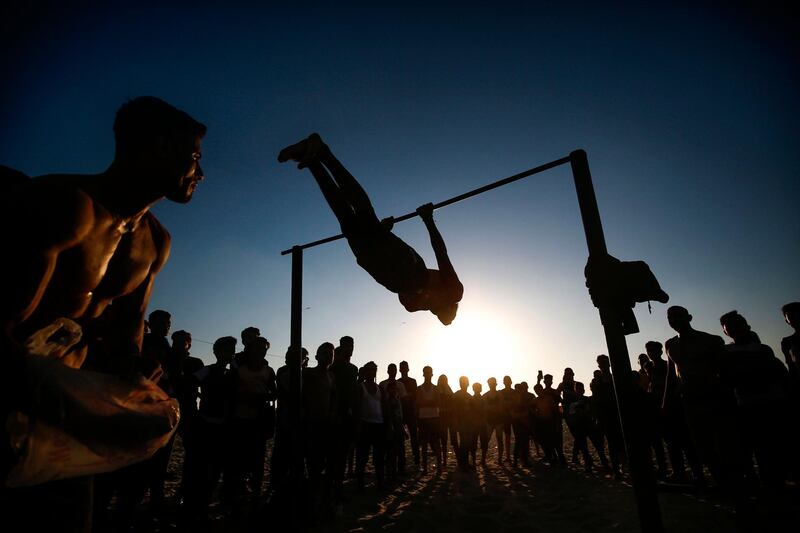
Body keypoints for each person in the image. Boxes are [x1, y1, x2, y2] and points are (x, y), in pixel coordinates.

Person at [0, 96, 202, 530]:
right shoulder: (65, 206)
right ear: (160, 146)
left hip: (65, 421)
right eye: (194, 156)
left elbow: (126, 339)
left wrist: (138, 379)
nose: (200, 173)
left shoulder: (154, 242)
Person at [278, 133, 464, 325]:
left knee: (355, 217)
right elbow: (439, 254)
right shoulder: (447, 294)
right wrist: (426, 220)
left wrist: (426, 220)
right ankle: (317, 159)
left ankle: (316, 158)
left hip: (391, 267)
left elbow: (438, 253)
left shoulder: (429, 300)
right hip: (387, 267)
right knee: (353, 217)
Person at [719, 310, 790, 489]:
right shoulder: (726, 353)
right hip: (746, 406)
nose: (735, 328)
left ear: (747, 326)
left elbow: (780, 375)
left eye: (738, 324)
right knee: (760, 450)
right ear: (725, 331)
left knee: (775, 447)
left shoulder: (763, 349)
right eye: (730, 326)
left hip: (772, 403)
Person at [302, 342, 337, 516]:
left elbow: (333, 399)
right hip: (311, 425)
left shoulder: (331, 377)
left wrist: (332, 414)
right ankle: (311, 507)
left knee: (326, 467)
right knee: (313, 468)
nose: (328, 356)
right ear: (317, 356)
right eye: (324, 352)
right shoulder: (308, 373)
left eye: (331, 353)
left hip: (326, 426)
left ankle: (323, 504)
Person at [355, 362, 386, 491]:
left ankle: (380, 482)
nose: (371, 373)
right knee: (362, 456)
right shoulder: (360, 387)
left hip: (379, 425)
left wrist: (387, 425)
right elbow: (356, 408)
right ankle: (360, 484)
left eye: (373, 370)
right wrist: (357, 426)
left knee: (379, 457)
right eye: (369, 370)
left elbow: (385, 408)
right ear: (365, 372)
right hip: (365, 425)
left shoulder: (380, 389)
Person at [416, 366, 442, 474]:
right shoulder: (419, 388)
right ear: (423, 374)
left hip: (434, 418)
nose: (427, 374)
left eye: (429, 372)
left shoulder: (436, 388)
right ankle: (425, 468)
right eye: (425, 372)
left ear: (431, 374)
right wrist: (430, 402)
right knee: (424, 444)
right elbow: (418, 403)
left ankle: (439, 467)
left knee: (436, 443)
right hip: (423, 418)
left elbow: (437, 402)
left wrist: (425, 402)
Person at [398, 361, 420, 468]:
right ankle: (402, 460)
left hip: (411, 412)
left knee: (414, 437)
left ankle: (417, 458)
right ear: (400, 369)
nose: (403, 369)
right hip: (401, 412)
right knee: (400, 437)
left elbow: (415, 397)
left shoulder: (412, 381)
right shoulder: (398, 382)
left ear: (408, 369)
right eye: (402, 367)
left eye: (405, 367)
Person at [483, 377, 506, 463]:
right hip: (490, 420)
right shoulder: (486, 395)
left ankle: (500, 458)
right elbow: (485, 408)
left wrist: (491, 408)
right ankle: (483, 459)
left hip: (498, 419)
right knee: (487, 439)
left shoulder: (499, 395)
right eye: (490, 383)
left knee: (499, 439)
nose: (492, 385)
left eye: (493, 383)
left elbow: (500, 407)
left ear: (495, 384)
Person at [470, 382, 489, 466]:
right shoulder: (472, 399)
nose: (477, 389)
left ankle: (481, 460)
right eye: (476, 388)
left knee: (482, 443)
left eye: (478, 388)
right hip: (476, 423)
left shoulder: (482, 399)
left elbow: (485, 410)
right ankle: (479, 461)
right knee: (475, 443)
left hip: (480, 423)